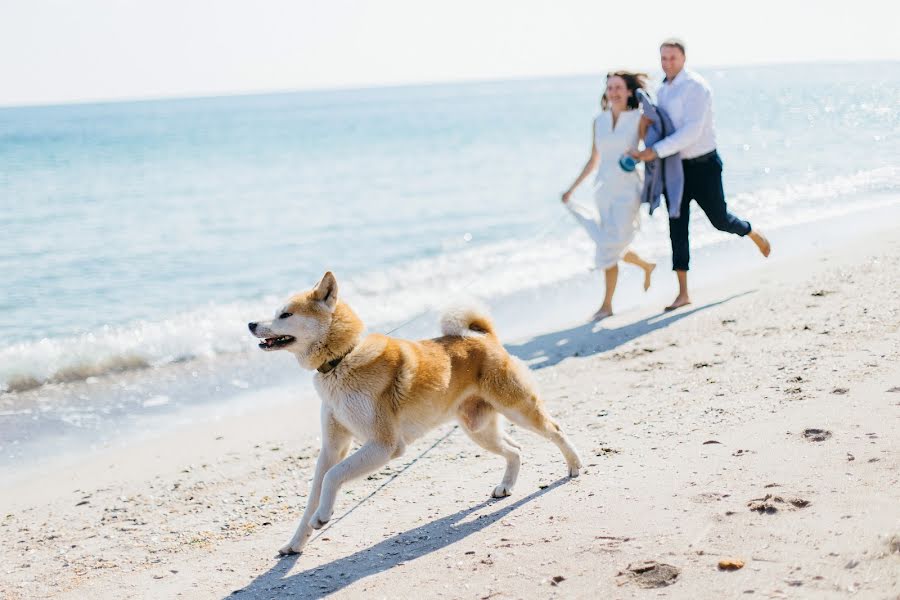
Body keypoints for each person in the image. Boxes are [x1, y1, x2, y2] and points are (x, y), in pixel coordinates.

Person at [631, 39, 770, 311]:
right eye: (663, 58)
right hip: (675, 168)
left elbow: (692, 132)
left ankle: (750, 231)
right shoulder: (662, 89)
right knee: (677, 226)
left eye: (672, 57)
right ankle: (683, 293)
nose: (667, 62)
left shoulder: (696, 87)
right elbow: (663, 127)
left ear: (683, 58)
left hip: (704, 165)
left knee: (720, 219)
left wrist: (654, 151)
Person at [562, 71, 657, 322]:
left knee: (610, 244)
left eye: (618, 87)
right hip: (603, 191)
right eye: (610, 87)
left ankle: (607, 303)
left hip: (628, 190)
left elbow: (651, 150)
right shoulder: (599, 121)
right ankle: (640, 272)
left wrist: (639, 154)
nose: (613, 92)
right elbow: (594, 159)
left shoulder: (639, 118)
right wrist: (572, 189)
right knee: (609, 243)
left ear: (629, 91)